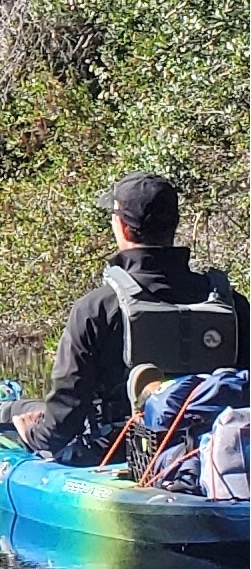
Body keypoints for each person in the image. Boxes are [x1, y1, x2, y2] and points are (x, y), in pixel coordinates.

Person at [13, 175, 247, 462]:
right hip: (219, 452)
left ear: (122, 226)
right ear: (174, 224)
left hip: (119, 454)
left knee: (15, 411)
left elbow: (67, 412)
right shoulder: (231, 304)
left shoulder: (96, 308)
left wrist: (35, 437)